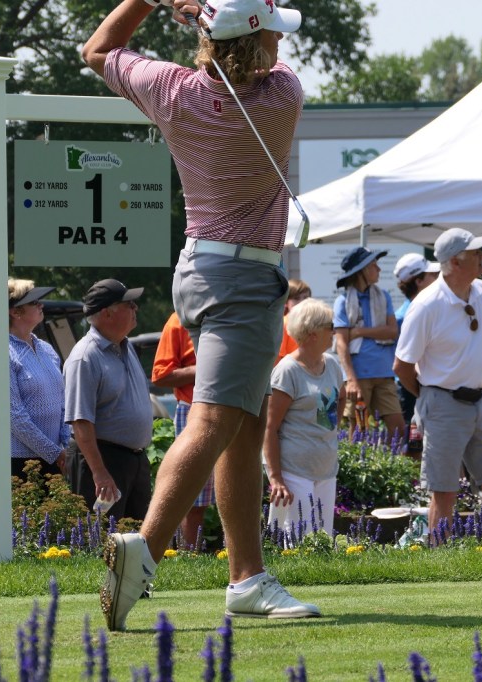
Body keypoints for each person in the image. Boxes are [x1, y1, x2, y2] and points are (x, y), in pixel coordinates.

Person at [82, 0, 319, 630]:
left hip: (197, 269)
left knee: (243, 424)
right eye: (272, 34)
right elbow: (265, 64)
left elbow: (98, 51)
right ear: (257, 45)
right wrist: (206, 21)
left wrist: (152, 2)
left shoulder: (172, 89)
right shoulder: (282, 95)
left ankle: (247, 578)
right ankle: (143, 551)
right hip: (245, 281)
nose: (279, 44)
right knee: (215, 420)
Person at [393, 228, 482, 537]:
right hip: (443, 403)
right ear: (455, 262)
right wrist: (430, 395)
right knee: (444, 491)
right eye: (475, 252)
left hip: (481, 400)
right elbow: (402, 366)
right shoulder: (426, 305)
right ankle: (438, 557)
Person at [64, 279, 152, 522]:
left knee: (137, 536)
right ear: (107, 313)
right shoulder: (85, 357)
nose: (135, 308)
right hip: (104, 461)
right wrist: (100, 472)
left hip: (134, 460)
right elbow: (81, 422)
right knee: (100, 535)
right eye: (129, 304)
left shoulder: (125, 346)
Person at [264, 299, 345, 541]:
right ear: (313, 333)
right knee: (299, 543)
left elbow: (341, 398)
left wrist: (329, 430)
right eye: (330, 327)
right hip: (294, 471)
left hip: (326, 469)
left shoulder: (332, 364)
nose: (334, 332)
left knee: (322, 541)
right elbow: (269, 428)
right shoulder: (287, 371)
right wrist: (276, 478)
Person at [151, 312, 214, 549]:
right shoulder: (179, 320)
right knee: (193, 500)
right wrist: (205, 369)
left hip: (234, 408)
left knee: (237, 494)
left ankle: (236, 560)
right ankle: (190, 557)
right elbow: (160, 375)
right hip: (193, 410)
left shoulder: (235, 313)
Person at [334, 247, 405, 437]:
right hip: (358, 377)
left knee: (398, 430)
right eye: (374, 265)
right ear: (362, 271)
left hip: (384, 373)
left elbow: (392, 331)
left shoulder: (384, 296)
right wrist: (351, 380)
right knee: (358, 432)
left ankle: (392, 458)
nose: (379, 269)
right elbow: (341, 343)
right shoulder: (342, 301)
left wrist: (358, 331)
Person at [8, 279, 70, 480]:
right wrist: (54, 453)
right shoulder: (4, 352)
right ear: (15, 312)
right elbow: (14, 416)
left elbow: (62, 401)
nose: (41, 305)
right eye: (34, 302)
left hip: (57, 459)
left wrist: (66, 445)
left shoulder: (47, 349)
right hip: (21, 463)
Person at [393, 253, 440, 424]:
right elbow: (402, 365)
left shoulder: (430, 308)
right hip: (412, 388)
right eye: (432, 275)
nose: (437, 278)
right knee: (412, 439)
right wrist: (422, 393)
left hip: (428, 388)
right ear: (418, 281)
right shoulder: (402, 317)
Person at [276, 279, 311, 365]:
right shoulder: (283, 323)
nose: (302, 302)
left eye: (305, 298)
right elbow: (278, 358)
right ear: (286, 302)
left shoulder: (311, 323)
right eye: (296, 298)